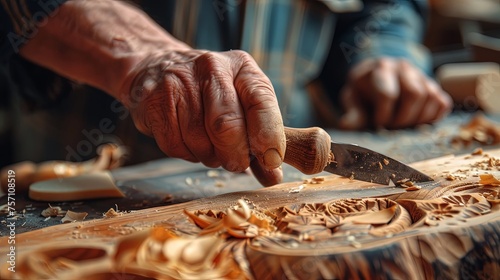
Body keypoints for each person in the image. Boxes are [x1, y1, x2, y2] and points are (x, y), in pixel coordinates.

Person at [0, 0, 452, 186]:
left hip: (271, 188)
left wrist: (382, 50)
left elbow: (388, 6)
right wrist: (146, 57)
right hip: (84, 186)